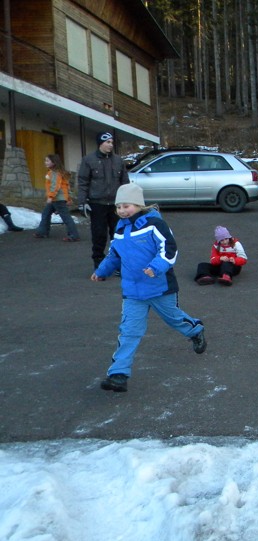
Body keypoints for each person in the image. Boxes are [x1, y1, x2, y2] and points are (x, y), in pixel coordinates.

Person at [91, 183, 206, 393]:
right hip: (133, 292)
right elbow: (114, 255)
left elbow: (169, 249)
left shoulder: (154, 223)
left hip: (160, 287)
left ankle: (195, 331)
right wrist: (101, 271)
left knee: (174, 318)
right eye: (118, 207)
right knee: (128, 331)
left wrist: (156, 267)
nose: (122, 211)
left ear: (138, 204)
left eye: (126, 206)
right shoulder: (120, 229)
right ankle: (118, 374)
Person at [77, 131, 130, 268]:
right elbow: (83, 182)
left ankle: (118, 264)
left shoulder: (118, 160)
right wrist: (82, 202)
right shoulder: (88, 160)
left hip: (116, 205)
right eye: (107, 142)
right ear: (100, 143)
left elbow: (125, 182)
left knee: (118, 235)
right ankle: (99, 264)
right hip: (97, 204)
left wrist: (127, 202)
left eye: (112, 142)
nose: (111, 145)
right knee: (99, 236)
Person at [33, 154, 80, 242]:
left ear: (53, 162)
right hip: (59, 198)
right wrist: (68, 198)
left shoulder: (54, 173)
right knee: (46, 213)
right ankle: (42, 232)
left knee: (65, 217)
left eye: (47, 161)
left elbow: (55, 186)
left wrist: (50, 196)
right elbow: (66, 186)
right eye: (45, 160)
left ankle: (74, 235)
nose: (45, 162)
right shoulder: (59, 172)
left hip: (57, 198)